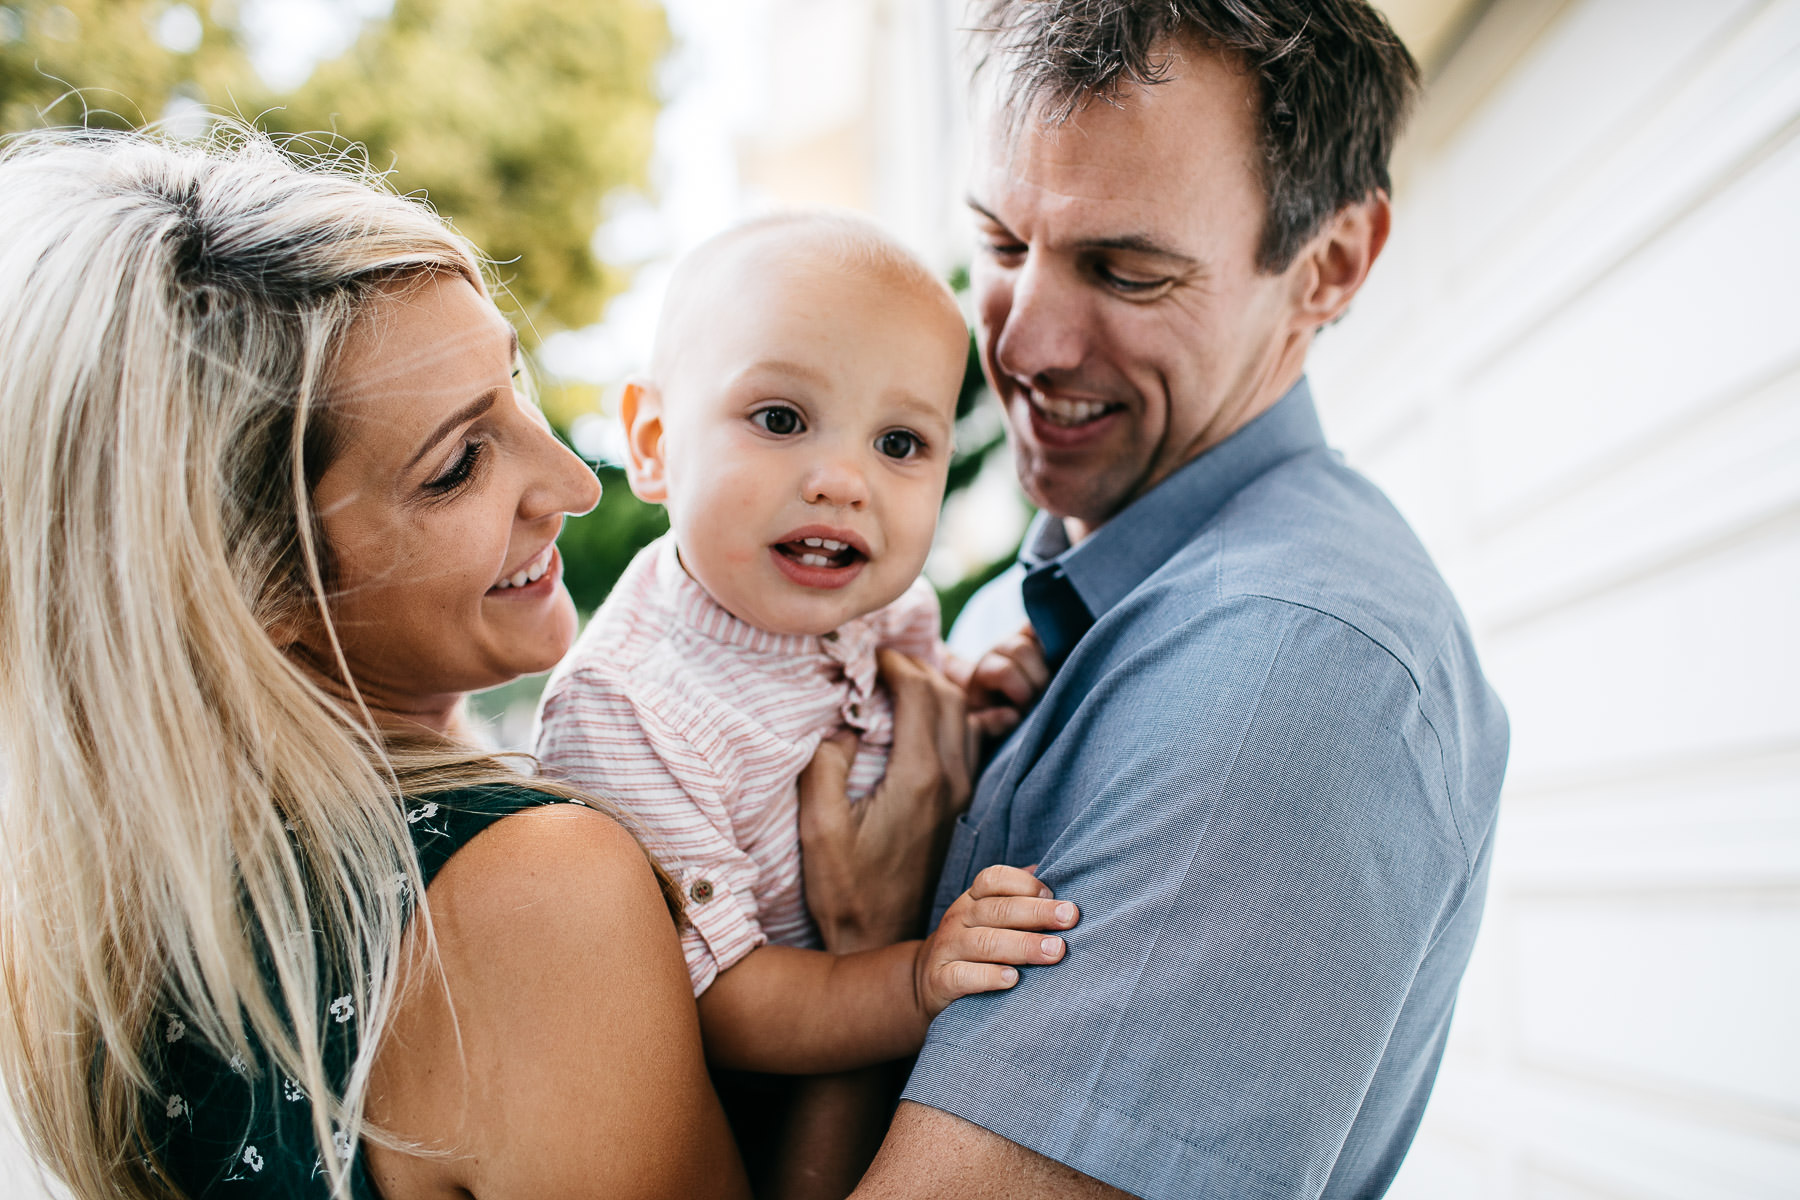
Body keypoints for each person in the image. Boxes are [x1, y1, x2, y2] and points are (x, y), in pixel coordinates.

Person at [0, 127, 970, 1200]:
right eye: (459, 464)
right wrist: (878, 937)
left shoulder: (134, 933)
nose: (573, 481)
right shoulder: (530, 895)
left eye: (519, 391)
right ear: (255, 587)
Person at [849, 3, 1512, 1198]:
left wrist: (863, 941)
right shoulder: (1023, 597)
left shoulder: (1284, 672)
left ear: (1331, 265)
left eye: (1125, 270)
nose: (1026, 344)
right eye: (1002, 245)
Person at [536, 212, 1061, 1058]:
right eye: (781, 419)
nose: (843, 481)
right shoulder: (630, 708)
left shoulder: (883, 605)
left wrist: (978, 694)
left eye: (900, 442)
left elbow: (913, 713)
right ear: (654, 443)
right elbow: (723, 1001)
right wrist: (914, 978)